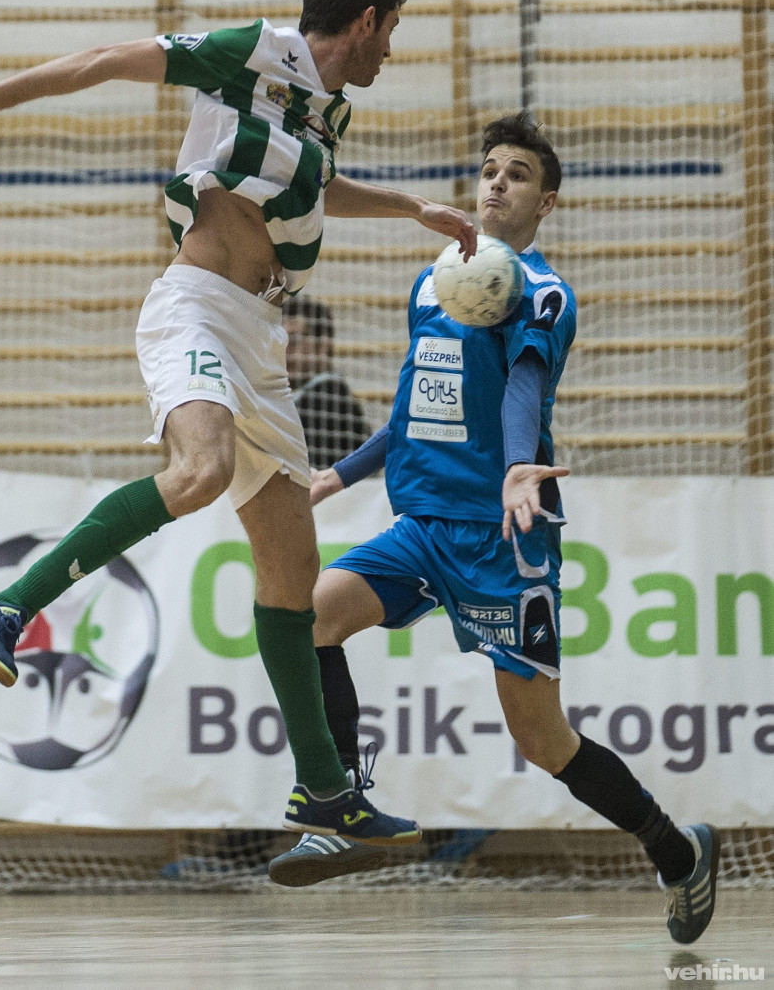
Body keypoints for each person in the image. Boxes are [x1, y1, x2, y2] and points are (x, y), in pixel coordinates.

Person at [0, 0, 476, 845]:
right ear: (365, 20)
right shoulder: (252, 50)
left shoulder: (328, 110)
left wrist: (412, 208)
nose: (392, 49)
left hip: (262, 339)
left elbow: (316, 191)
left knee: (292, 573)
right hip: (193, 307)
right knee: (201, 469)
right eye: (392, 30)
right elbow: (110, 59)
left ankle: (322, 790)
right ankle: (7, 607)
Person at [267, 114, 720, 947]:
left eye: (516, 173)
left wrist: (519, 464)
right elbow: (412, 411)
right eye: (488, 169)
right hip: (424, 527)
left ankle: (674, 847)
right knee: (308, 615)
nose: (496, 182)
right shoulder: (431, 284)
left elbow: (525, 381)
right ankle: (338, 802)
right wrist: (340, 474)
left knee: (542, 738)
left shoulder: (543, 293)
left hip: (505, 539)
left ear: (546, 201)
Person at [283, 296, 371, 469]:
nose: (283, 349)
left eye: (292, 340)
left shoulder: (331, 400)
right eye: (279, 339)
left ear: (323, 344)